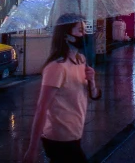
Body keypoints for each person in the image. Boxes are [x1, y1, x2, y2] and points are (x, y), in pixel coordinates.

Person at [24, 14, 101, 163]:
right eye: (79, 30)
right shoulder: (57, 67)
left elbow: (94, 95)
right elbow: (42, 107)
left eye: (84, 30)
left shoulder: (81, 61)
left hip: (75, 135)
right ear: (66, 36)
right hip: (59, 139)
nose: (84, 34)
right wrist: (32, 149)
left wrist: (91, 81)